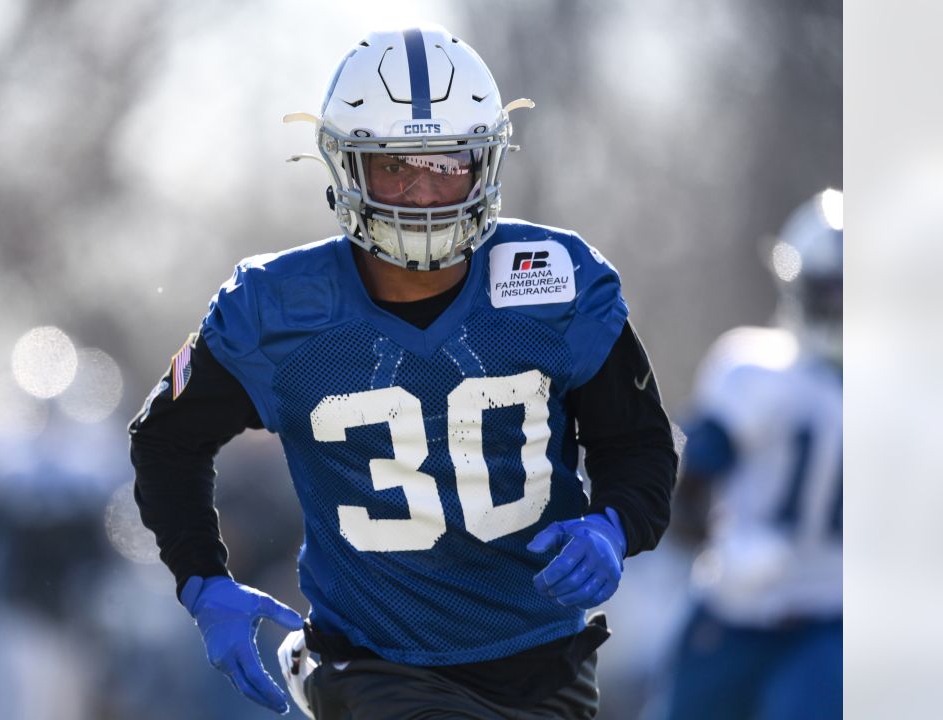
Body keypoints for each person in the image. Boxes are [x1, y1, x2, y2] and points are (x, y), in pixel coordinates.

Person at [130, 25, 677, 719]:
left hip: (545, 662)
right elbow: (164, 438)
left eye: (448, 165)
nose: (423, 193)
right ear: (347, 167)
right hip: (372, 664)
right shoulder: (277, 307)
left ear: (486, 163)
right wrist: (202, 578)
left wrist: (614, 525)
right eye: (395, 167)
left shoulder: (556, 282)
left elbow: (639, 446)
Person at [656, 190, 843, 720]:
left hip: (833, 627)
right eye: (834, 293)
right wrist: (721, 540)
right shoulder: (755, 371)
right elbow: (680, 485)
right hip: (732, 612)